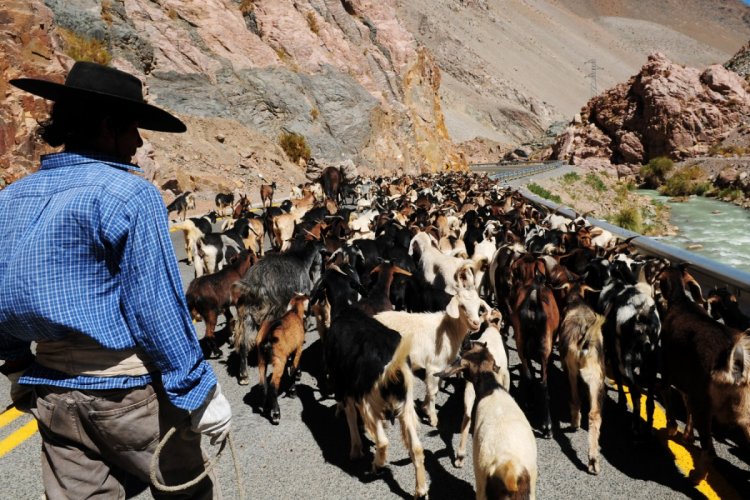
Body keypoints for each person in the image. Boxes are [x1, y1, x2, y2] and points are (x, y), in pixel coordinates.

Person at [0, 61, 231, 499]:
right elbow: (156, 307)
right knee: (186, 492)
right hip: (127, 395)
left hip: (53, 394)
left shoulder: (10, 198)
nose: (139, 142)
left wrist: (14, 363)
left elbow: (2, 292)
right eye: (134, 129)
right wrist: (199, 391)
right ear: (108, 126)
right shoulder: (129, 192)